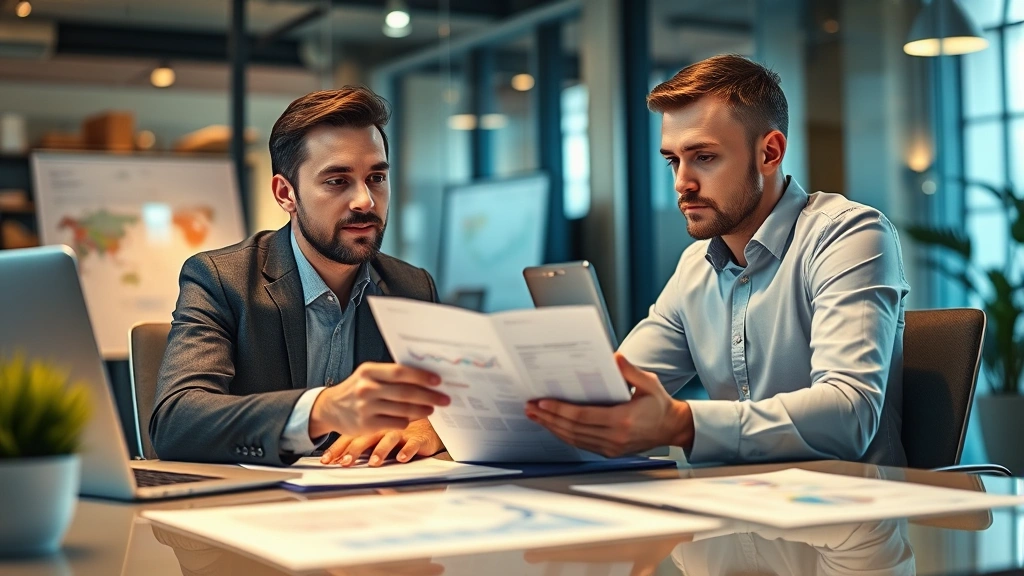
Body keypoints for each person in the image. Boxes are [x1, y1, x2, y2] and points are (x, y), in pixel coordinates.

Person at [526, 54, 910, 466]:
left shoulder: (848, 235)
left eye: (704, 157)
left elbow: (850, 416)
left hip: (849, 516)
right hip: (735, 512)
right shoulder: (695, 268)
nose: (681, 183)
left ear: (769, 153)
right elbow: (623, 395)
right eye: (673, 160)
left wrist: (682, 423)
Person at [151, 87, 450, 467]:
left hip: (378, 506)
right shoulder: (220, 281)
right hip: (255, 509)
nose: (365, 201)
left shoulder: (412, 288)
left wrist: (435, 427)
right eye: (338, 181)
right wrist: (320, 409)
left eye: (376, 177)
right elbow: (176, 423)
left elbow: (456, 406)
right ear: (285, 194)